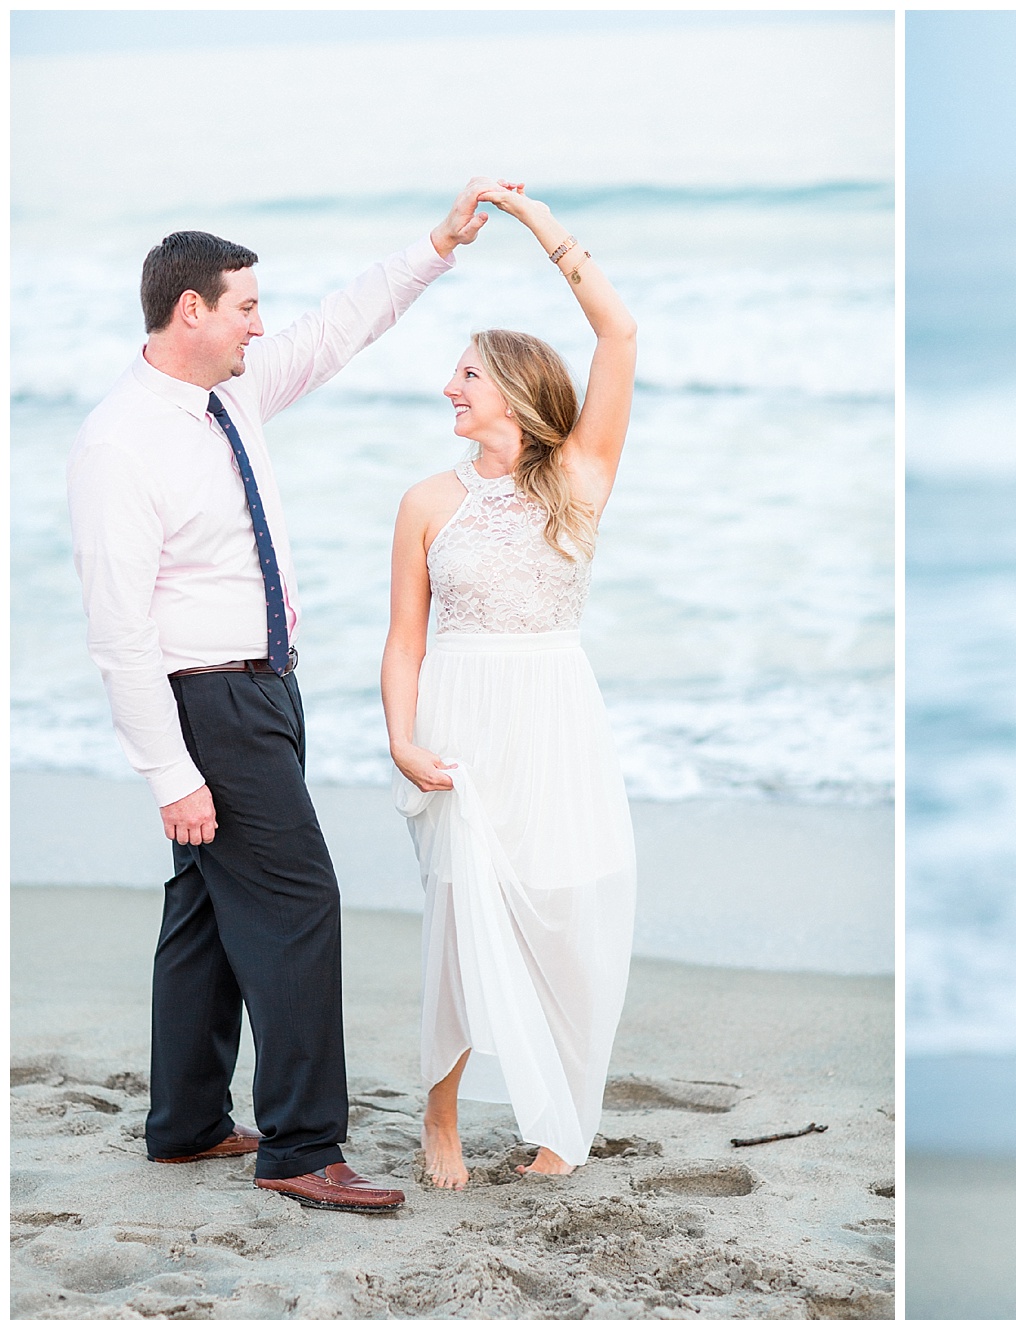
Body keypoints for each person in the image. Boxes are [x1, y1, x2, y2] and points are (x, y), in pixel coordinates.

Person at [66, 179, 497, 1213]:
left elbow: (337, 330)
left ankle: (187, 1123)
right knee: (301, 904)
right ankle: (304, 1146)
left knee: (207, 913)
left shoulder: (234, 394)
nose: (264, 323)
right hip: (209, 707)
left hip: (266, 693)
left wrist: (434, 246)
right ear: (192, 312)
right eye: (247, 306)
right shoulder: (120, 440)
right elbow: (118, 631)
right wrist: (171, 771)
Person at [382, 182, 638, 1187]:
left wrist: (538, 226)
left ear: (518, 394)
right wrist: (403, 738)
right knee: (459, 919)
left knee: (568, 911)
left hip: (556, 719)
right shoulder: (424, 501)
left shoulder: (578, 477)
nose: (451, 388)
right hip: (460, 726)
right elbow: (404, 640)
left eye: (468, 375)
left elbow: (618, 332)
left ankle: (557, 1117)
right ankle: (440, 1115)